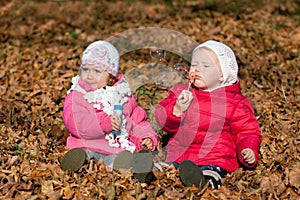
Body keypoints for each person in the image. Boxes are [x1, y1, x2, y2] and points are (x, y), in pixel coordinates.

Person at [155, 40, 262, 189]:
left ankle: (206, 180)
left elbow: (247, 130)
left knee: (211, 169)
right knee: (167, 166)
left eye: (205, 66)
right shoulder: (182, 92)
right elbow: (162, 121)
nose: (197, 69)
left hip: (214, 155)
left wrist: (247, 148)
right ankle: (154, 174)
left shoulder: (234, 101)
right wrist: (177, 110)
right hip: (179, 152)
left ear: (222, 75)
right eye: (194, 65)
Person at [60, 40, 158, 183]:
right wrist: (104, 123)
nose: (90, 75)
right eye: (86, 69)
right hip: (87, 144)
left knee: (120, 159)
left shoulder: (123, 96)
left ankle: (129, 168)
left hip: (115, 150)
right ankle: (78, 162)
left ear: (111, 76)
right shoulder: (78, 95)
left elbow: (137, 122)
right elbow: (75, 121)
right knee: (87, 155)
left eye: (97, 71)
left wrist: (145, 138)